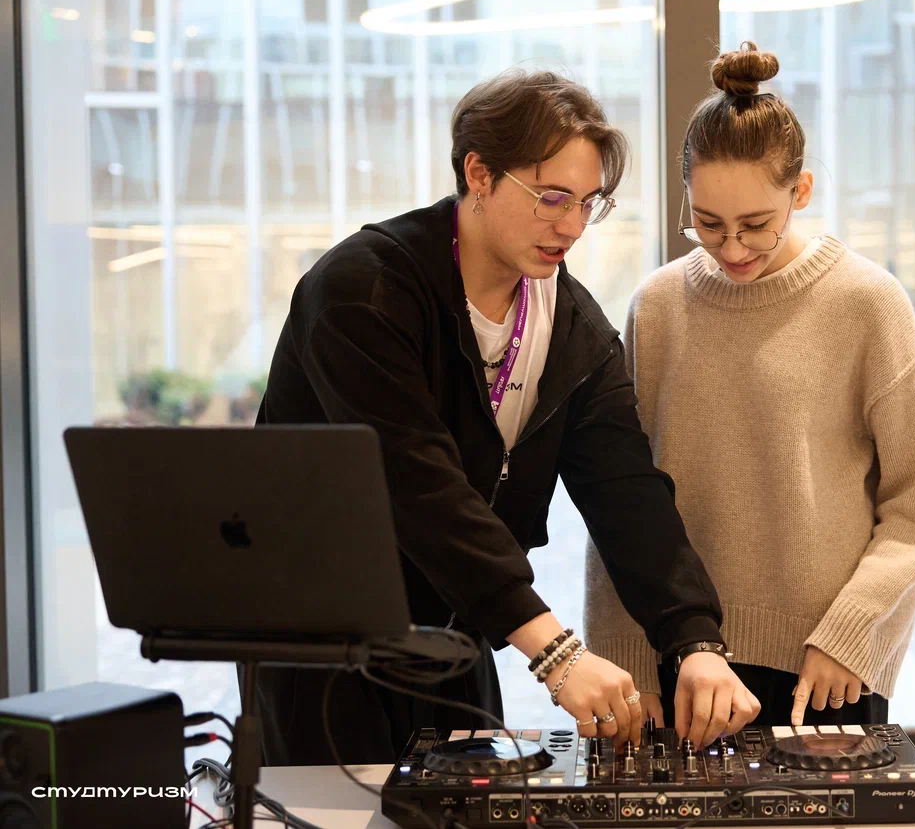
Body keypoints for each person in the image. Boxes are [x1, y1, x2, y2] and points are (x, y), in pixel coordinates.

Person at [250, 67, 760, 766]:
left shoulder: (570, 325)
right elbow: (419, 486)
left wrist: (694, 640)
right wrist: (555, 652)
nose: (571, 226)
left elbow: (627, 492)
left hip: (453, 638)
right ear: (480, 174)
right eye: (552, 198)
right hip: (322, 648)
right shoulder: (363, 292)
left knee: (463, 805)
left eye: (588, 204)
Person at [583, 43, 915, 729]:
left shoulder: (867, 303)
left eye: (756, 224)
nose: (731, 248)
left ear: (801, 191)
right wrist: (624, 655)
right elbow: (622, 500)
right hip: (677, 663)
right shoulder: (658, 307)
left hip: (827, 672)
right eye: (707, 224)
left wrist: (852, 633)